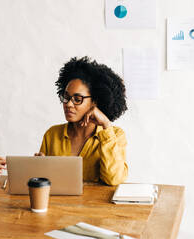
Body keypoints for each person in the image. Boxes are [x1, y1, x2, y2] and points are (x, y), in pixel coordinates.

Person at [36, 56, 128, 186]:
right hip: (59, 205)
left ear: (95, 101)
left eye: (77, 99)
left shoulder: (115, 135)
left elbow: (114, 179)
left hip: (97, 206)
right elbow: (43, 184)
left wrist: (106, 125)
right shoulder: (52, 135)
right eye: (66, 97)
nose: (68, 104)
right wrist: (38, 169)